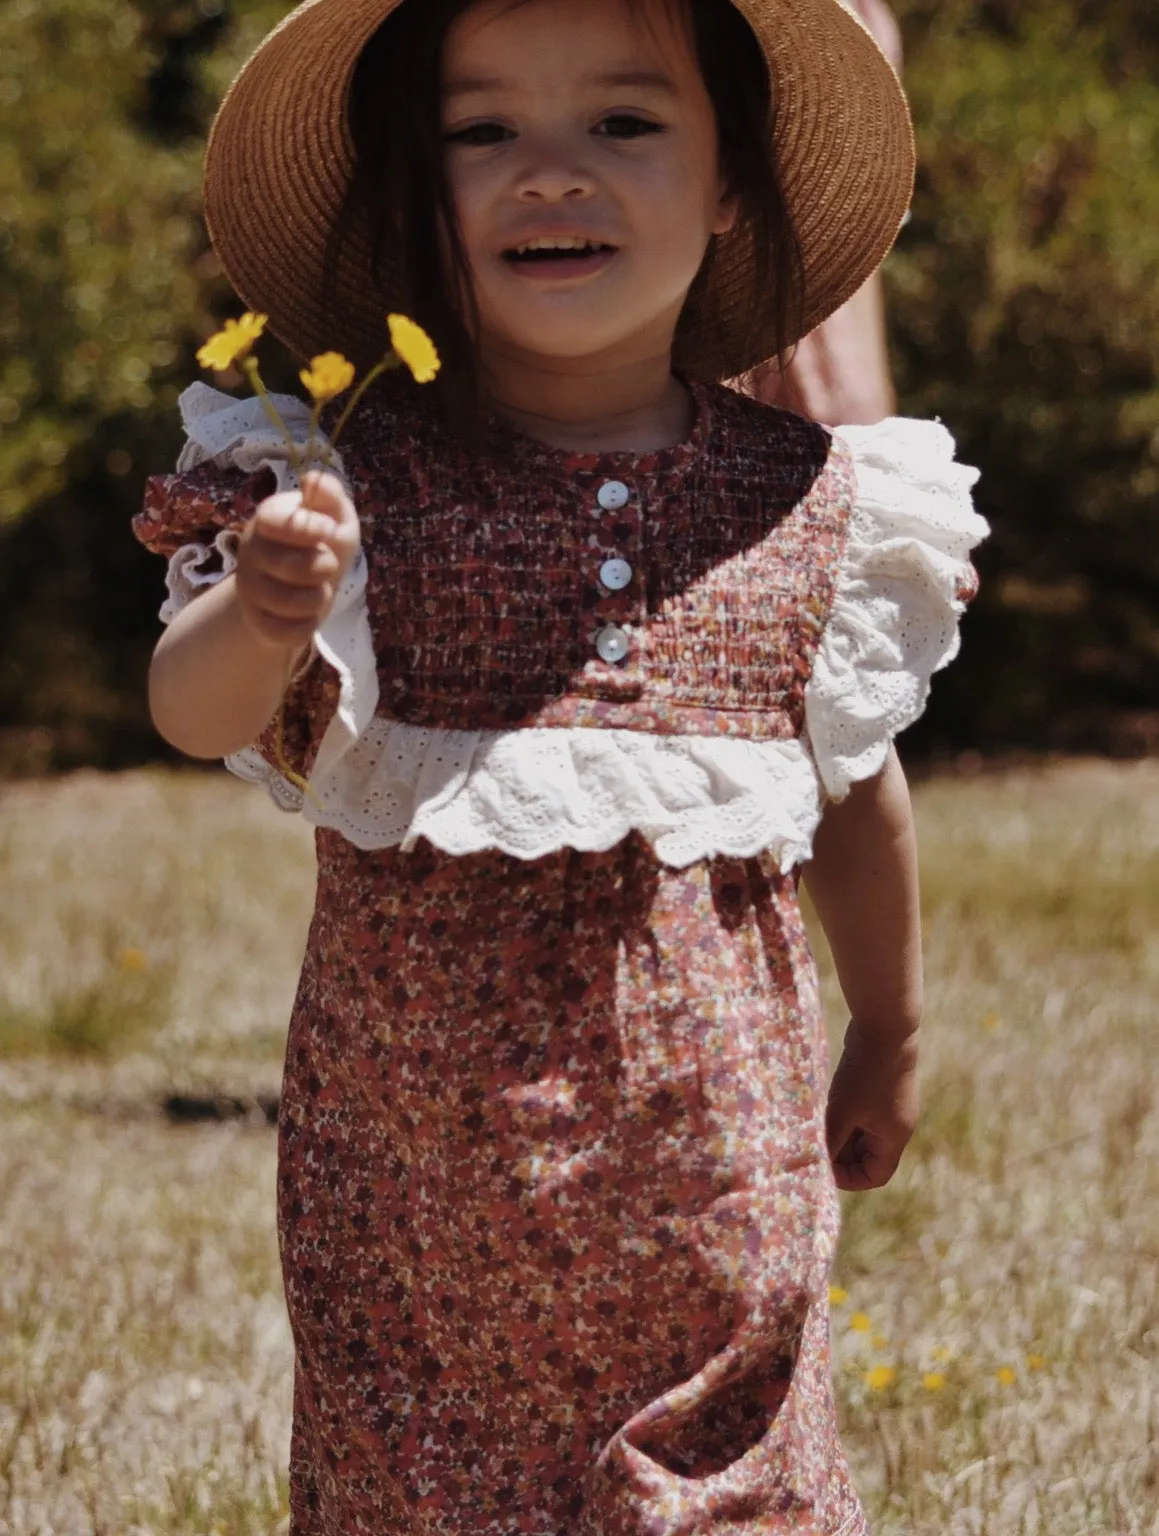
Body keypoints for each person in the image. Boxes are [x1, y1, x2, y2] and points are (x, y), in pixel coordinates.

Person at [133, 0, 988, 1531]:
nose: (548, 172)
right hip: (412, 1194)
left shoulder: (801, 500)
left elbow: (855, 781)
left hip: (714, 1173)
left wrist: (893, 1028)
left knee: (730, 1484)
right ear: (415, 188)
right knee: (419, 1482)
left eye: (623, 122)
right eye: (482, 132)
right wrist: (259, 615)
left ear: (730, 186)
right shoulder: (343, 485)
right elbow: (194, 716)